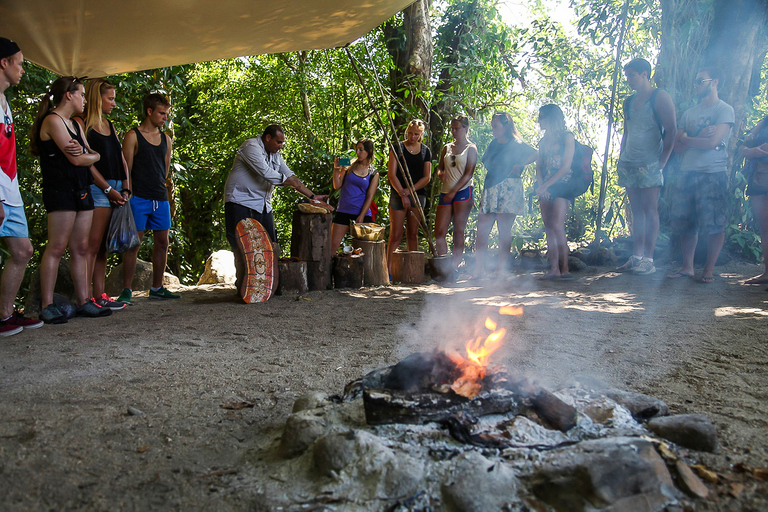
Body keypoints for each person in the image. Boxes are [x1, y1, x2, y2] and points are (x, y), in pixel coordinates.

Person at [30, 76, 112, 323]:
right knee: (56, 247)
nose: (86, 100)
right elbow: (77, 159)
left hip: (81, 189)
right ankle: (47, 304)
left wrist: (90, 155)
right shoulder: (53, 121)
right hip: (61, 191)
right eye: (82, 94)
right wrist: (87, 155)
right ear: (69, 95)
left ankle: (84, 301)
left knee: (80, 247)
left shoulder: (75, 125)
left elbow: (91, 154)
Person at [223, 124, 332, 291]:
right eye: (278, 142)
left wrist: (312, 197)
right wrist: (291, 182)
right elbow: (267, 174)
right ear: (268, 138)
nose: (281, 146)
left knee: (271, 244)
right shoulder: (250, 147)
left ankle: (267, 285)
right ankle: (244, 287)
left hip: (262, 205)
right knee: (242, 246)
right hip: (240, 202)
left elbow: (289, 174)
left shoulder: (275, 155)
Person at [667, 67, 734, 283]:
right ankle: (687, 267)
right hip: (688, 172)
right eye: (695, 81)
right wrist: (696, 137)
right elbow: (676, 147)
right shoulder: (689, 114)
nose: (696, 84)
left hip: (713, 173)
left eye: (700, 80)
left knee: (716, 223)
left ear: (714, 82)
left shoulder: (724, 110)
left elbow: (713, 143)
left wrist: (688, 139)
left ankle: (709, 269)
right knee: (687, 222)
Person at [615, 58, 677, 276]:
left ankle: (649, 260)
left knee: (650, 209)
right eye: (626, 75)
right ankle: (636, 257)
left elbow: (671, 130)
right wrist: (621, 156)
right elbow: (627, 130)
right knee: (636, 210)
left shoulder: (659, 97)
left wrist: (662, 162)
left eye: (631, 75)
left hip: (651, 161)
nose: (628, 79)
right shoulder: (628, 101)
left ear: (644, 74)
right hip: (629, 161)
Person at [0, 37, 44, 334]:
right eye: (20, 63)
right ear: (3, 63)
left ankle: (4, 314)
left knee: (23, 250)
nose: (23, 70)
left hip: (9, 187)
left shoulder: (4, 99)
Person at [119, 93, 177, 303]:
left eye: (166, 114)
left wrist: (163, 192)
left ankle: (157, 287)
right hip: (138, 198)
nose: (164, 117)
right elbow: (126, 169)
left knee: (162, 242)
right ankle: (126, 289)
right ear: (149, 111)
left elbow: (165, 169)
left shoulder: (166, 139)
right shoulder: (132, 136)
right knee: (134, 244)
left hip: (160, 198)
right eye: (161, 113)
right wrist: (129, 194)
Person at [77, 78, 130, 310]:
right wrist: (108, 190)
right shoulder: (81, 123)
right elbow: (87, 163)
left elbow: (120, 157)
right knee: (92, 244)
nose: (113, 103)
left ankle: (100, 294)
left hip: (117, 188)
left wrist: (126, 187)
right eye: (110, 98)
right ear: (97, 98)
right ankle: (86, 296)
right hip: (99, 189)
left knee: (103, 247)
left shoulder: (109, 124)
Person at [473, 112, 537, 278]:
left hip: (510, 187)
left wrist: (519, 165)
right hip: (491, 187)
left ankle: (500, 270)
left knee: (504, 230)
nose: (493, 129)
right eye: (492, 126)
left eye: (496, 126)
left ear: (506, 126)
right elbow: (485, 161)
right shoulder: (493, 144)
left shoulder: (517, 144)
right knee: (482, 229)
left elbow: (537, 154)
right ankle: (480, 269)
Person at [434, 115, 478, 278]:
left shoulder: (471, 148)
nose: (453, 131)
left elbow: (468, 174)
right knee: (439, 232)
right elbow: (439, 168)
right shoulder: (446, 148)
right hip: (445, 192)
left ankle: (455, 267)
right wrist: (440, 174)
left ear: (465, 128)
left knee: (458, 230)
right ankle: (444, 266)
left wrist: (454, 191)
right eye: (452, 128)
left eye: (457, 128)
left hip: (463, 192)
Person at [386, 119, 431, 275]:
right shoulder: (397, 148)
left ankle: (413, 271)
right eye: (410, 133)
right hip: (398, 193)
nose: (413, 137)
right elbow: (391, 174)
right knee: (395, 234)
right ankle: (388, 271)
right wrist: (402, 193)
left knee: (413, 233)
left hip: (417, 194)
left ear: (421, 134)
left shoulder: (425, 151)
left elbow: (427, 177)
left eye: (416, 134)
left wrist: (409, 191)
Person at [535, 104, 575, 280]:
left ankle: (565, 269)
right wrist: (541, 185)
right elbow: (539, 166)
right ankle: (554, 269)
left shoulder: (567, 137)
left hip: (564, 185)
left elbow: (566, 168)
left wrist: (547, 185)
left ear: (551, 118)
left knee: (558, 225)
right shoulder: (543, 141)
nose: (539, 120)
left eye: (542, 116)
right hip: (547, 186)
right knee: (549, 227)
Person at [331, 138, 379, 252]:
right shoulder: (349, 165)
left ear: (369, 151)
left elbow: (370, 196)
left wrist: (361, 215)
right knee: (332, 246)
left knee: (363, 250)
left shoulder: (373, 173)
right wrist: (336, 169)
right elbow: (337, 185)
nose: (358, 153)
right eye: (357, 149)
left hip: (361, 212)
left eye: (361, 150)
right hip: (344, 210)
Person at [739, 113, 768, 285]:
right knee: (764, 226)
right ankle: (767, 273)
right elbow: (742, 148)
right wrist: (754, 151)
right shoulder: (764, 120)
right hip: (759, 176)